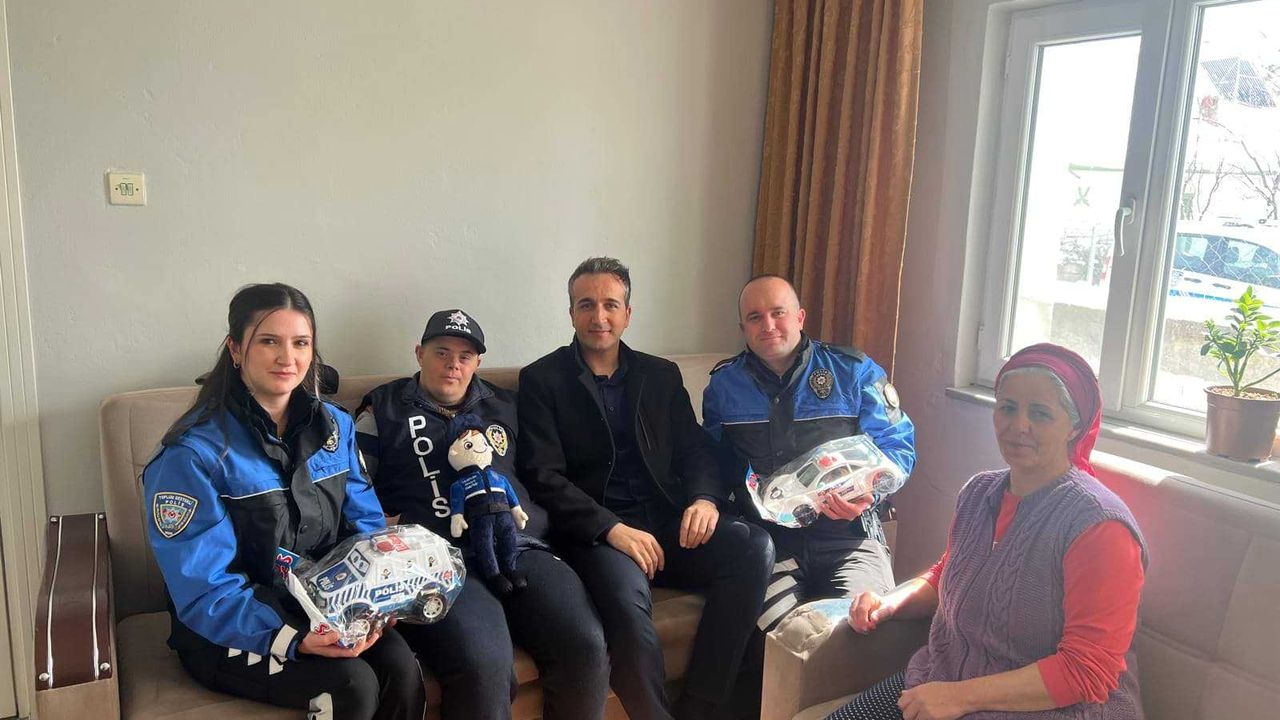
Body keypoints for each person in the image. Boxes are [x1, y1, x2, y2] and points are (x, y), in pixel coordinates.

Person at [142, 283, 424, 720]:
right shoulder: (192, 454)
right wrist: (293, 636)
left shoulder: (336, 428)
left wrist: (375, 601)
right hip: (225, 627)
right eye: (269, 341)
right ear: (236, 349)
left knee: (402, 671)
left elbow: (366, 527)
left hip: (322, 605)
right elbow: (203, 587)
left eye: (300, 343)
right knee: (352, 687)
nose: (287, 357)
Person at [826, 343, 1147, 720]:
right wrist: (890, 603)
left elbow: (1087, 671)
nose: (1019, 425)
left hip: (1052, 709)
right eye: (1007, 407)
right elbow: (950, 574)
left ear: (1075, 426)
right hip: (944, 680)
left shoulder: (1099, 526)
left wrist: (959, 697)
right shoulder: (979, 493)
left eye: (1040, 413)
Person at [517, 257, 774, 720]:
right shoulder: (542, 380)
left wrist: (705, 499)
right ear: (571, 313)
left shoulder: (660, 375)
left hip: (668, 523)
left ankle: (699, 708)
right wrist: (611, 528)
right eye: (586, 305)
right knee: (627, 615)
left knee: (754, 547)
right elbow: (543, 476)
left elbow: (696, 450)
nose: (599, 316)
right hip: (600, 535)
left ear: (628, 313)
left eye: (610, 305)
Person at [355, 308, 609, 720]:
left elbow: (544, 473)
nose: (453, 365)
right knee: (484, 666)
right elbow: (355, 488)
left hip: (520, 545)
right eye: (441, 352)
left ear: (478, 362)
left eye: (465, 356)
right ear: (419, 354)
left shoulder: (508, 405)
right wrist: (384, 526)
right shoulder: (382, 408)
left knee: (585, 644)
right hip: (437, 560)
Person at [702, 275, 917, 633]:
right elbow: (710, 461)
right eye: (755, 317)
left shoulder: (853, 371)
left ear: (800, 317)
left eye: (778, 312)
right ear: (743, 329)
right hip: (770, 544)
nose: (768, 325)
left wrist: (871, 492)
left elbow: (898, 444)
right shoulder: (724, 386)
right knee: (783, 637)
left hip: (850, 538)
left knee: (863, 628)